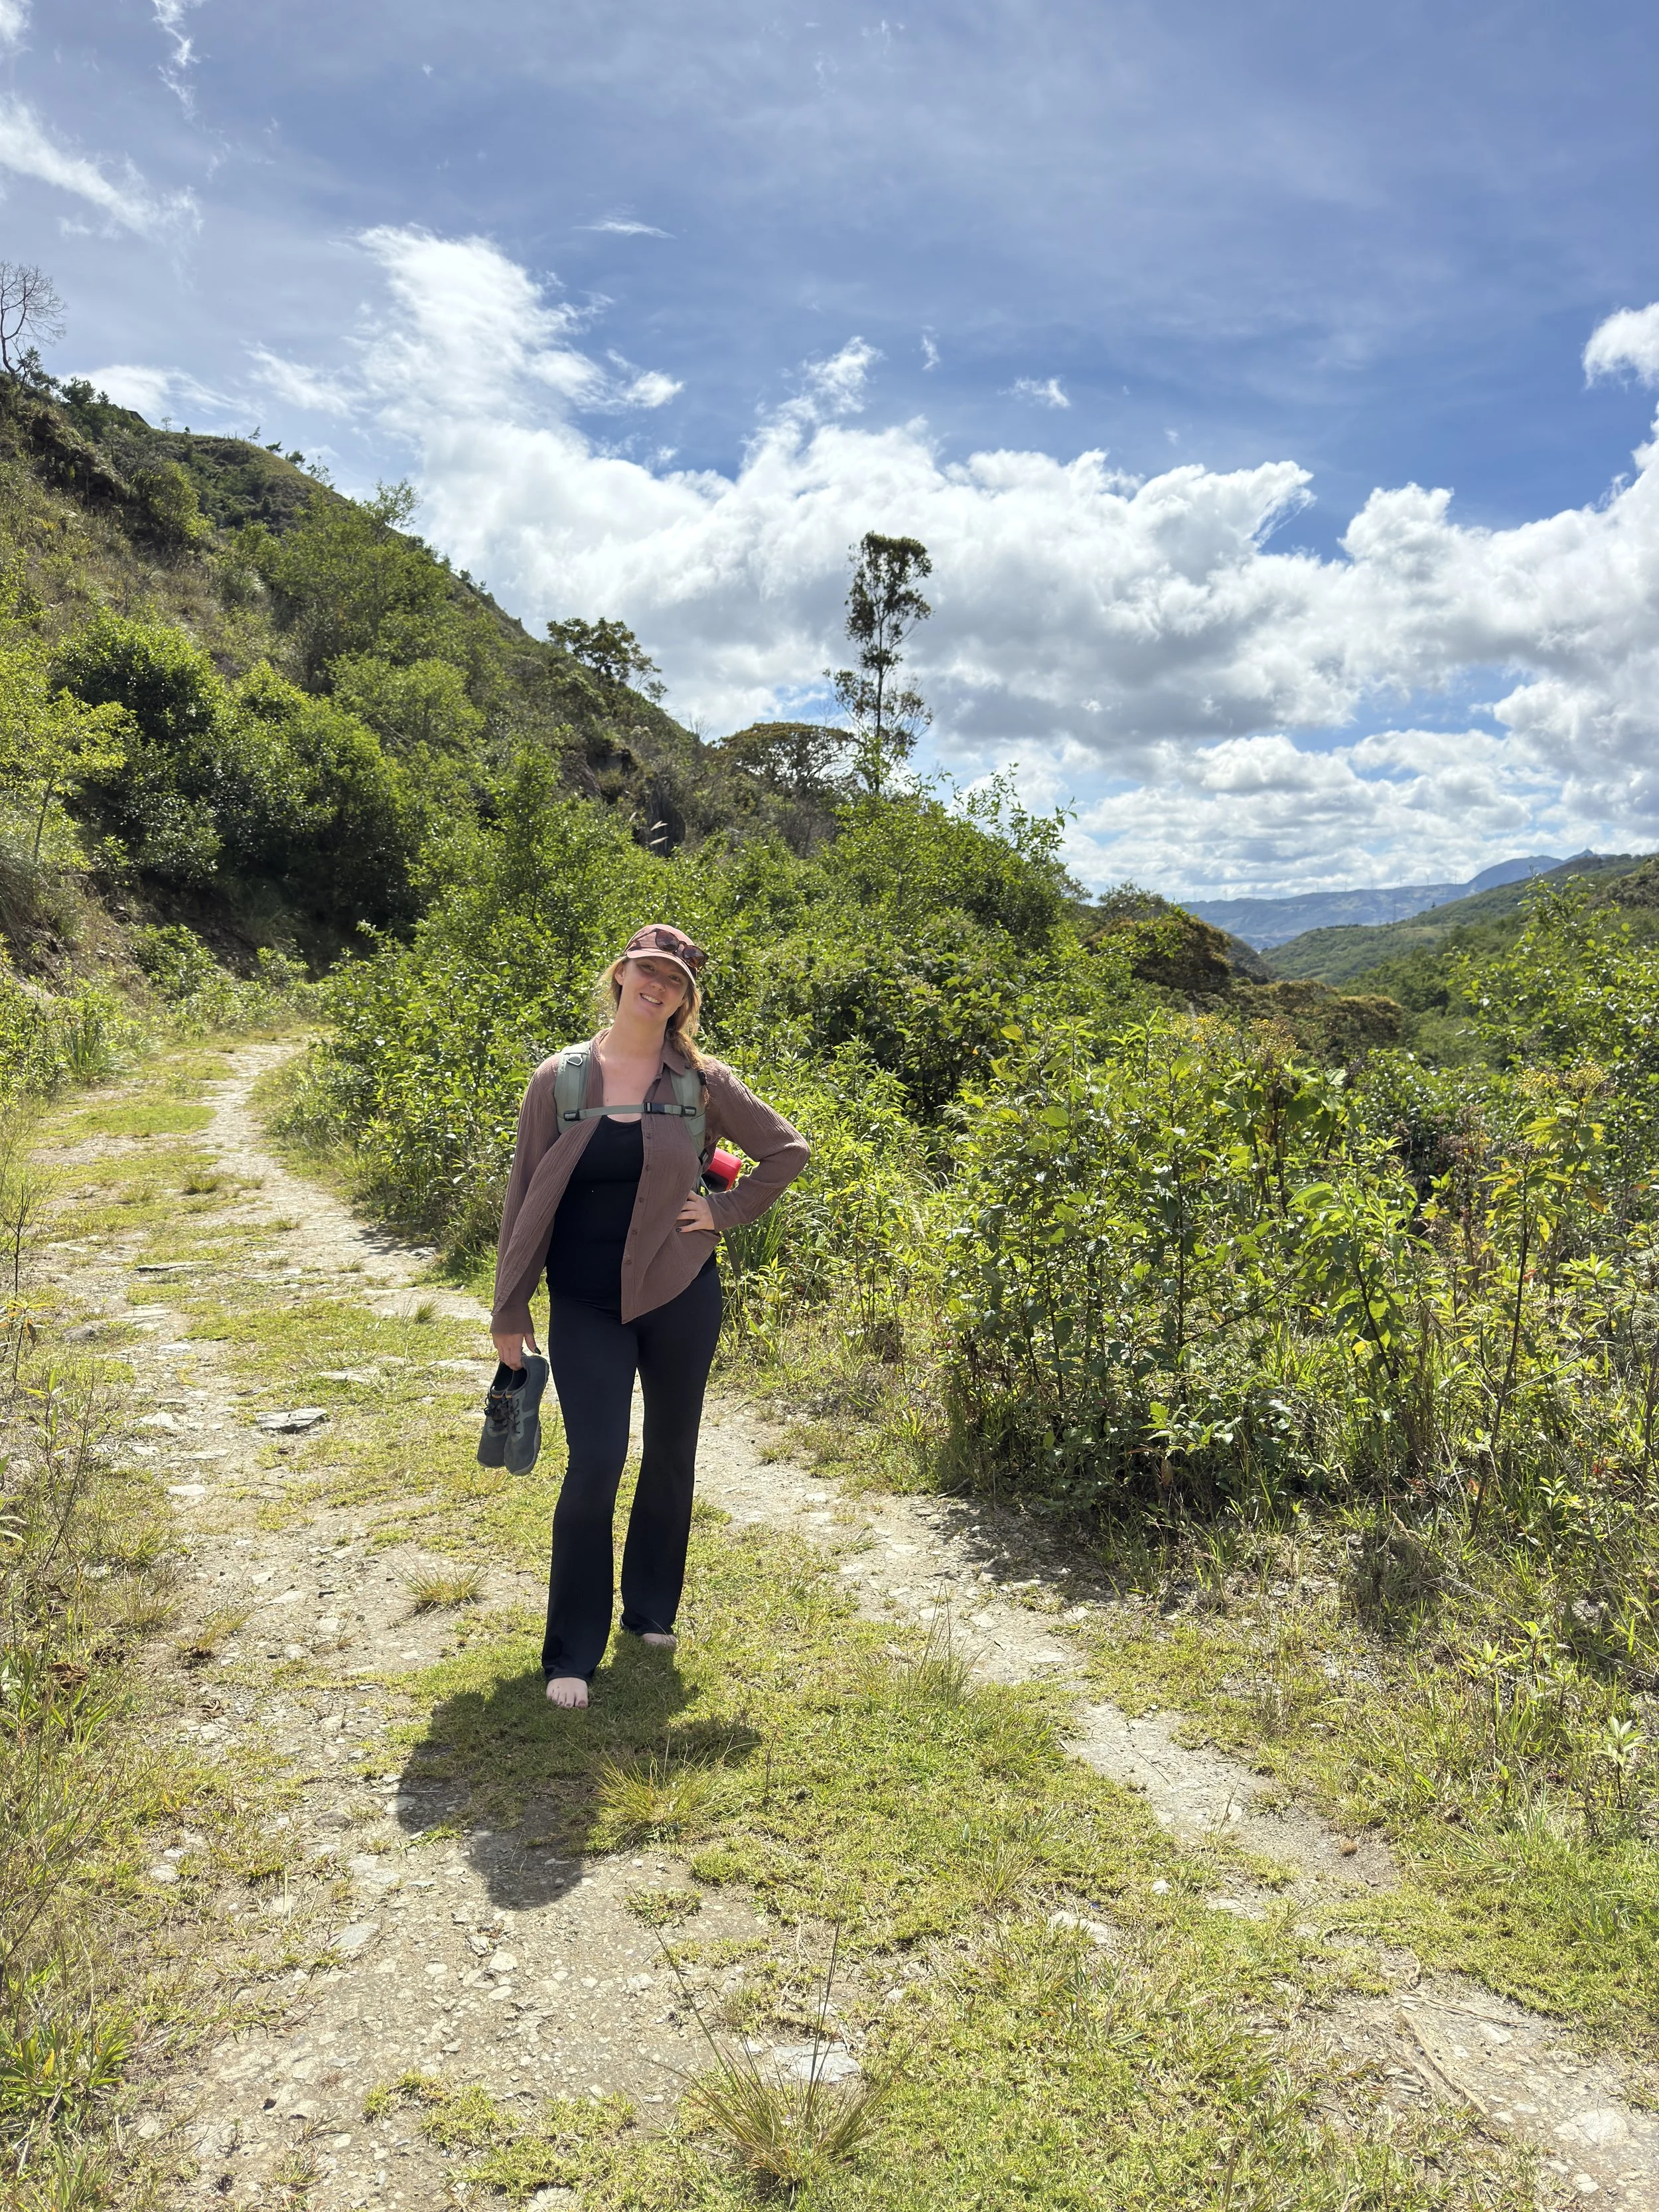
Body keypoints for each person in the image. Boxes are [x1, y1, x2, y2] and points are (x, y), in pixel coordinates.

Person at [489, 924, 809, 1710]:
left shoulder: (703, 1080)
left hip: (680, 1292)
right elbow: (525, 1193)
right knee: (596, 1460)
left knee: (671, 1453)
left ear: (685, 998)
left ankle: (652, 1611)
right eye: (645, 970)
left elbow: (786, 1151)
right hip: (586, 1301)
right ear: (620, 974)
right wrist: (510, 1305)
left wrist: (724, 1212)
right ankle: (570, 1651)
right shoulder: (559, 1078)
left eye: (673, 979)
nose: (655, 985)